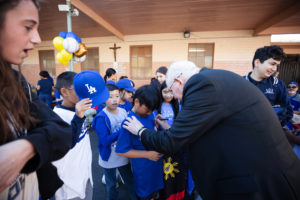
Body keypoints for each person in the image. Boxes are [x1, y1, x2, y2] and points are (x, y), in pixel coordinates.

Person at [122, 61, 300, 200]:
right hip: (258, 175)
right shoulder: (214, 78)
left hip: (258, 183)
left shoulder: (202, 84)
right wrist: (170, 128)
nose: (176, 97)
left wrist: (141, 131)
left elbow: (171, 142)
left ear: (178, 81)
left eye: (173, 91)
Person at [0, 0, 73, 199]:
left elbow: (61, 131)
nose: (37, 38)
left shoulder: (14, 83)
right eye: (28, 27)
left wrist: (26, 148)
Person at [116, 85, 164, 200]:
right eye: (148, 110)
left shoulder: (150, 114)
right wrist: (147, 154)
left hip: (156, 167)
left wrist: (157, 126)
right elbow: (121, 151)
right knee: (145, 195)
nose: (150, 113)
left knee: (155, 193)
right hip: (144, 170)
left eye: (152, 110)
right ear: (136, 102)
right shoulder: (129, 122)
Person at [52, 71, 94, 200]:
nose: (84, 93)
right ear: (64, 92)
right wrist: (78, 117)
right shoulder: (56, 117)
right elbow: (68, 143)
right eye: (78, 89)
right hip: (68, 186)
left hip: (85, 176)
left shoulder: (79, 111)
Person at [92, 84, 137, 200]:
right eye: (110, 97)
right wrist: (123, 130)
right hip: (109, 158)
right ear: (103, 99)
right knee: (111, 185)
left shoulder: (123, 112)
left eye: (116, 96)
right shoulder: (101, 117)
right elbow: (105, 141)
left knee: (130, 181)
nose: (114, 99)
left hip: (123, 155)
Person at [155, 81, 188, 200]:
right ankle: (165, 194)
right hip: (162, 143)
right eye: (165, 91)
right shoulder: (157, 107)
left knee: (175, 170)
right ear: (160, 92)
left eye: (170, 91)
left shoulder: (178, 106)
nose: (168, 95)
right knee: (165, 172)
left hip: (174, 143)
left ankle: (176, 193)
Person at [244, 45, 293, 126]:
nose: (274, 69)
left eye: (277, 65)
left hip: (268, 133)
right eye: (272, 64)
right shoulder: (240, 83)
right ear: (257, 63)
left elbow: (288, 112)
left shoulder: (277, 84)